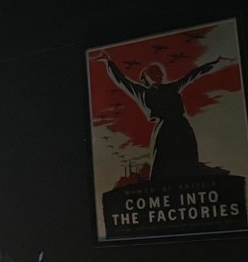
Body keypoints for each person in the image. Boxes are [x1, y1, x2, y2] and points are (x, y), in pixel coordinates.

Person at [92, 50, 226, 181]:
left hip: (183, 130)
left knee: (187, 164)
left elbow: (193, 74)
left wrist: (215, 62)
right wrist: (108, 61)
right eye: (153, 72)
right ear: (146, 79)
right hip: (164, 132)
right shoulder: (143, 93)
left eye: (158, 72)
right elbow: (122, 81)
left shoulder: (172, 88)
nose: (157, 74)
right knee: (162, 167)